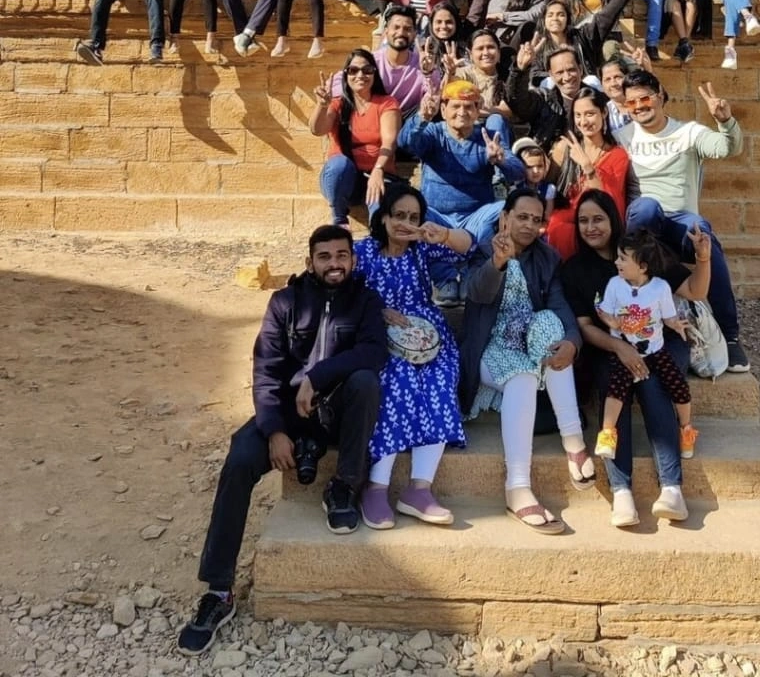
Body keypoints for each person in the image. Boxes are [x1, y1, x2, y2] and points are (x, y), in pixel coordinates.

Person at [177, 224, 387, 655]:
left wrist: (317, 375)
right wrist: (274, 431)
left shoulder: (365, 300)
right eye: (324, 256)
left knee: (366, 380)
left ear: (352, 259)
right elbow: (266, 372)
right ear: (310, 261)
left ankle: (344, 486)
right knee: (238, 460)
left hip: (335, 412)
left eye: (341, 255)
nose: (334, 264)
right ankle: (219, 592)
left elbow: (374, 352)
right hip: (287, 417)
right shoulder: (285, 302)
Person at [560, 192, 711, 528]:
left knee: (653, 383)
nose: (590, 227)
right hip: (610, 347)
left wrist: (703, 259)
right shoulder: (575, 269)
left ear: (612, 219)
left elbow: (694, 291)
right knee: (614, 387)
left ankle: (672, 489)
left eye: (597, 218)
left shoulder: (642, 252)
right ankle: (622, 492)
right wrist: (620, 349)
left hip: (660, 343)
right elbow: (585, 327)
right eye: (583, 220)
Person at [460, 188, 593, 534]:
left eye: (536, 220)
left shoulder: (546, 258)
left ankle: (573, 442)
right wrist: (497, 262)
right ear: (505, 217)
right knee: (520, 377)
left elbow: (561, 306)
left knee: (552, 325)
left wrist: (571, 343)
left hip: (530, 345)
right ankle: (517, 488)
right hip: (491, 350)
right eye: (522, 217)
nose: (529, 225)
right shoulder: (481, 249)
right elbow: (475, 292)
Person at [354, 185, 473, 529]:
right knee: (398, 380)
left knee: (439, 379)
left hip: (427, 333)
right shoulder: (363, 252)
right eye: (399, 215)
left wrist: (444, 234)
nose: (405, 223)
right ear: (384, 217)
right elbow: (345, 289)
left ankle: (419, 489)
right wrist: (379, 309)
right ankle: (376, 486)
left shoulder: (423, 252)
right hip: (378, 332)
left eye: (413, 217)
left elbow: (469, 248)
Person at [618, 70, 749, 373]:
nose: (639, 106)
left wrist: (724, 121)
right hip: (643, 222)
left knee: (702, 233)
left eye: (645, 98)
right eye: (631, 102)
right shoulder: (622, 138)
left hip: (679, 223)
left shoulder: (688, 132)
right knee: (648, 206)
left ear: (660, 95)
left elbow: (727, 148)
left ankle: (730, 336)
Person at [398, 80, 526, 297]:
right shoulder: (433, 132)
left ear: (478, 110)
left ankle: (473, 273)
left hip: (476, 217)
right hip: (436, 215)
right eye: (455, 106)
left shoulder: (487, 136)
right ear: (443, 109)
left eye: (469, 106)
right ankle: (444, 277)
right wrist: (422, 119)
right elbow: (405, 143)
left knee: (509, 207)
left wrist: (501, 160)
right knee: (413, 211)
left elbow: (518, 171)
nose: (462, 112)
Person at [594, 231, 698, 464]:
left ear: (642, 266)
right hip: (625, 351)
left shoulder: (660, 288)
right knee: (616, 388)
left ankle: (686, 429)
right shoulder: (614, 285)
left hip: (655, 350)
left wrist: (676, 324)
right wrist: (611, 321)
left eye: (622, 258)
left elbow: (667, 316)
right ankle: (608, 433)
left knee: (678, 386)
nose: (616, 262)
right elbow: (606, 313)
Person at [310, 50, 400, 225]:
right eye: (353, 70)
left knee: (380, 218)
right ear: (346, 75)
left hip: (376, 175)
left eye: (367, 70)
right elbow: (317, 130)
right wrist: (322, 106)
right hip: (342, 179)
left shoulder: (386, 103)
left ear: (374, 73)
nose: (360, 75)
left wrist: (378, 169)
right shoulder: (338, 104)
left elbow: (390, 141)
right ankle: (339, 221)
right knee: (339, 164)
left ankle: (378, 239)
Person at [546, 88, 631, 259]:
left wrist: (587, 166)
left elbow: (610, 203)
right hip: (563, 219)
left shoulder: (617, 155)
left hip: (597, 221)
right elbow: (547, 186)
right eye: (578, 115)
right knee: (560, 227)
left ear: (604, 112)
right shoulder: (565, 148)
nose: (583, 121)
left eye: (590, 114)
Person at [507, 41, 586, 151]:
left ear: (580, 70)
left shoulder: (597, 99)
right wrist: (520, 70)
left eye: (571, 70)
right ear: (551, 75)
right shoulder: (544, 100)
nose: (567, 77)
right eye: (559, 72)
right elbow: (517, 100)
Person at [373, 4, 425, 118]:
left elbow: (434, 95)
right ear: (386, 31)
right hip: (375, 119)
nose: (401, 33)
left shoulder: (422, 64)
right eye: (396, 27)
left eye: (407, 29)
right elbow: (341, 81)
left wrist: (429, 73)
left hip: (408, 123)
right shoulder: (371, 61)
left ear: (415, 34)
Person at [512, 138, 556, 220]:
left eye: (539, 166)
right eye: (529, 167)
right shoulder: (516, 188)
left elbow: (547, 217)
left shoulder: (549, 189)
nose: (535, 171)